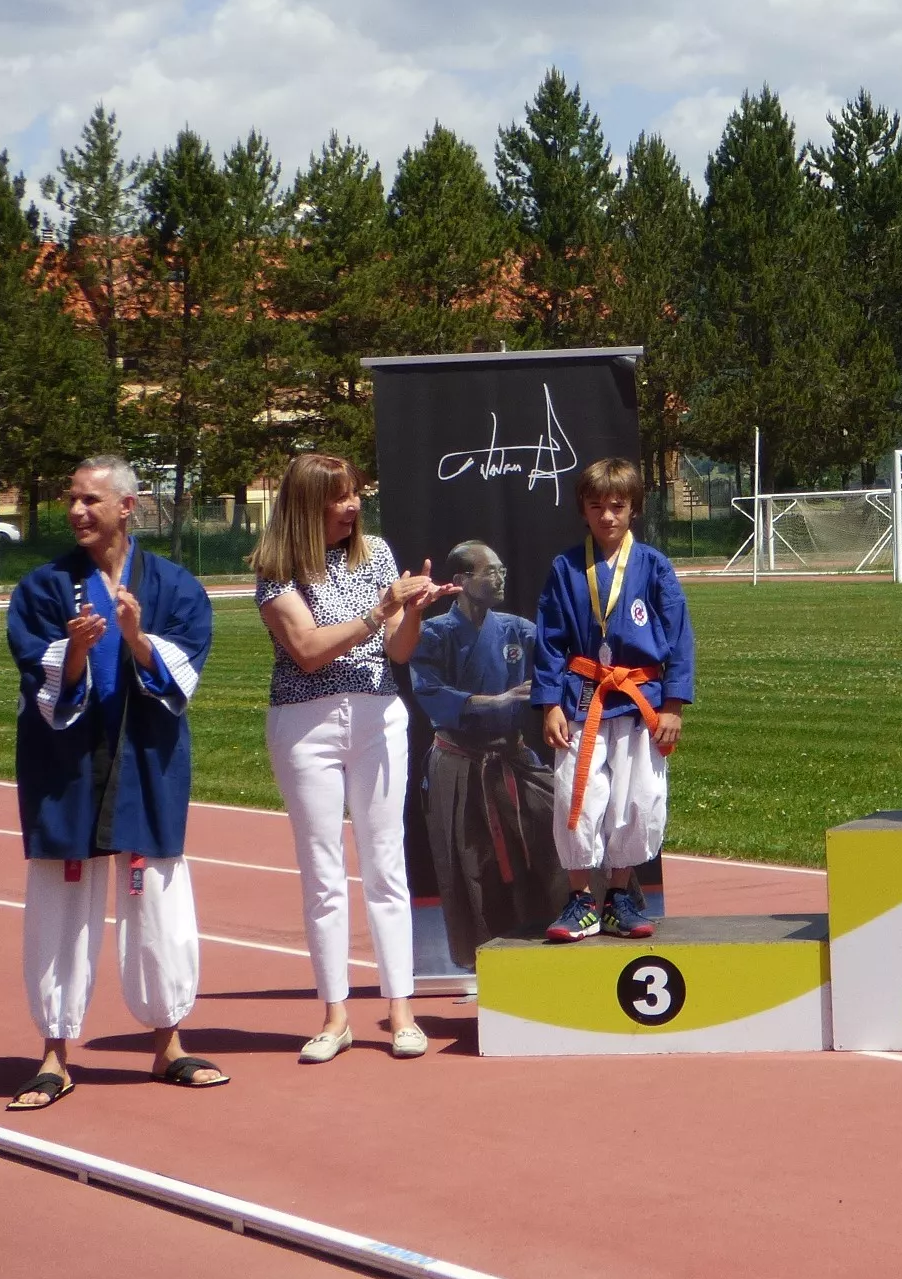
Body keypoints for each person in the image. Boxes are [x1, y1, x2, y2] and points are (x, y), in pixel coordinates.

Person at [4, 456, 225, 1111]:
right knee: (58, 906)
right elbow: (37, 675)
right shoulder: (44, 588)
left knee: (158, 900)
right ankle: (52, 1054)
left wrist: (135, 638)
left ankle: (169, 1045)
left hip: (145, 764)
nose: (76, 511)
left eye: (90, 500)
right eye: (72, 499)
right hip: (65, 769)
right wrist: (73, 650)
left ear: (127, 507)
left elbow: (184, 674)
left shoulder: (173, 586)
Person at [254, 453, 454, 1061]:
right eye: (339, 497)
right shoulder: (276, 569)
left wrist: (411, 612)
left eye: (356, 494)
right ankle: (334, 1016)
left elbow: (398, 648)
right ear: (307, 505)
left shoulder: (377, 553)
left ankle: (401, 1011)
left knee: (386, 862)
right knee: (322, 871)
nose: (353, 506)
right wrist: (379, 610)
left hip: (377, 716)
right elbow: (308, 649)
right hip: (305, 723)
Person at [532, 457, 694, 942]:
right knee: (575, 796)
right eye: (597, 506)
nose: (607, 516)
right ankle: (580, 898)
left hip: (639, 696)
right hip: (582, 697)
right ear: (583, 508)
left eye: (617, 506)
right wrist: (549, 703)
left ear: (634, 510)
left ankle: (618, 896)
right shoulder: (565, 567)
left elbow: (680, 638)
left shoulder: (653, 566)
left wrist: (673, 705)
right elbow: (549, 641)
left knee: (638, 797)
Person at [411, 540, 568, 967]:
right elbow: (430, 693)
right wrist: (496, 700)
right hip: (459, 762)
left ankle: (560, 942)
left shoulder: (518, 629)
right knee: (472, 868)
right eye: (490, 572)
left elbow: (559, 659)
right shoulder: (433, 634)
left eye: (501, 570)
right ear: (460, 581)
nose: (500, 578)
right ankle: (484, 964)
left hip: (512, 757)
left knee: (558, 837)